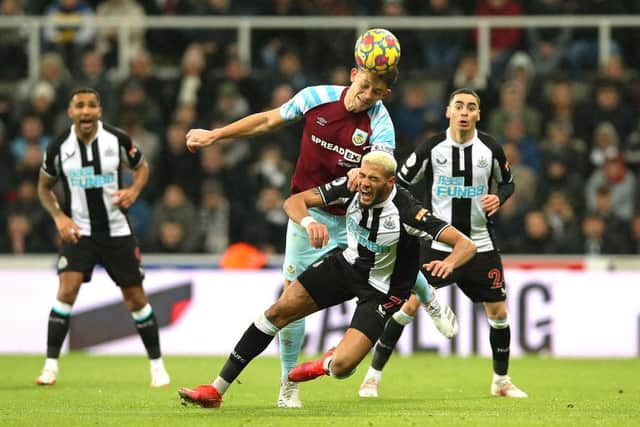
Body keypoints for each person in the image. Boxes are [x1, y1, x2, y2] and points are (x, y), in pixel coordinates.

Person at [184, 37, 456, 408]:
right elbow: (267, 120)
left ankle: (427, 296)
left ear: (385, 93)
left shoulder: (381, 125)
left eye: (376, 93)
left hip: (355, 218)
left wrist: (360, 181)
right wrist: (216, 134)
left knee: (389, 252)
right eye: (363, 87)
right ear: (352, 75)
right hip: (308, 215)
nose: (366, 96)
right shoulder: (315, 98)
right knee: (289, 300)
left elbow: (378, 174)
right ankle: (287, 383)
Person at [177, 151, 476, 408]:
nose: (365, 184)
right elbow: (294, 201)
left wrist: (448, 263)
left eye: (374, 179)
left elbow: (466, 245)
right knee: (277, 312)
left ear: (390, 182)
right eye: (364, 176)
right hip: (346, 266)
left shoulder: (409, 212)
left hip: (382, 291)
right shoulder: (351, 185)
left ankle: (325, 362)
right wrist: (309, 221)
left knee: (343, 367)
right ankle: (216, 389)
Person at [358, 88, 528, 399]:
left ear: (478, 114)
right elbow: (401, 184)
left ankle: (501, 381)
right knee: (406, 305)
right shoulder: (431, 148)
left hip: (480, 244)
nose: (465, 112)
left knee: (499, 312)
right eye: (459, 106)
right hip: (438, 244)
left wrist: (499, 198)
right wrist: (418, 220)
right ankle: (372, 377)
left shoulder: (489, 148)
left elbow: (509, 183)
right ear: (447, 112)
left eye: (471, 107)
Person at [35, 88, 170, 387]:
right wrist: (59, 217)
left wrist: (133, 191)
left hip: (116, 232)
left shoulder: (116, 140)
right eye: (79, 106)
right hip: (79, 232)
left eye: (91, 106)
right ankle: (50, 367)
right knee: (66, 290)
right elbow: (43, 187)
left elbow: (142, 167)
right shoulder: (58, 147)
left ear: (99, 111)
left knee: (135, 298)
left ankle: (157, 367)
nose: (85, 111)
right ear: (70, 112)